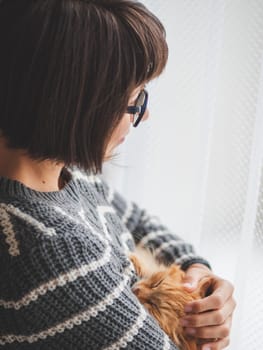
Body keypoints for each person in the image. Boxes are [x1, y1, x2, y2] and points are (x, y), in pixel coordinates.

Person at [0, 0, 235, 349]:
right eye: (135, 99)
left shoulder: (65, 178)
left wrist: (196, 271)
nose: (144, 115)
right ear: (80, 102)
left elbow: (137, 221)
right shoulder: (52, 249)